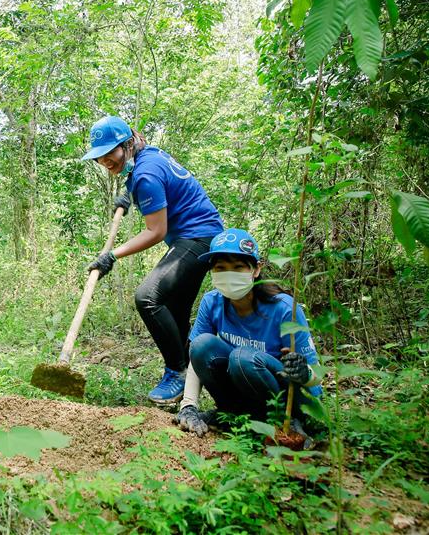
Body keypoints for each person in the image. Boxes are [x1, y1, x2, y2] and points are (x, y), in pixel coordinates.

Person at [83, 116, 225, 404]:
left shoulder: (145, 175)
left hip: (197, 238)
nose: (105, 161)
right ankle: (191, 382)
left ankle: (177, 372)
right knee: (174, 309)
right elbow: (151, 179)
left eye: (110, 152)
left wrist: (112, 255)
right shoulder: (147, 158)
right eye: (99, 157)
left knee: (148, 297)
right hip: (204, 235)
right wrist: (128, 192)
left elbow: (156, 231)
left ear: (126, 144)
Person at [175, 228, 322, 436]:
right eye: (221, 268)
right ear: (212, 272)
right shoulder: (212, 302)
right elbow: (197, 356)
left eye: (238, 267)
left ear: (256, 269)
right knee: (201, 345)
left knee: (242, 357)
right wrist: (188, 406)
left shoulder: (283, 308)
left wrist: (303, 371)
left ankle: (285, 424)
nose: (229, 274)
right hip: (246, 387)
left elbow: (316, 377)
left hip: (291, 398)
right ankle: (237, 415)